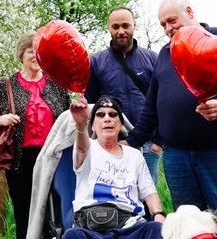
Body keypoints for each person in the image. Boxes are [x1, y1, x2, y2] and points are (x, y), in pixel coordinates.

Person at [123, 0, 217, 211]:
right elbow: (152, 106)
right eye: (163, 24)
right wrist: (132, 141)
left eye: (172, 20)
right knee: (188, 223)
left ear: (190, 12)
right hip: (176, 156)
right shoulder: (165, 54)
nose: (167, 28)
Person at [0, 31, 70, 239]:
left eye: (40, 52)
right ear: (21, 55)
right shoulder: (5, 84)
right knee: (25, 216)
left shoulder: (56, 84)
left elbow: (67, 119)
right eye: (31, 51)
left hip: (54, 158)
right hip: (21, 162)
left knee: (56, 214)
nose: (36, 56)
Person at [64, 95, 165, 239]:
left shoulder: (134, 155)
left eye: (113, 114)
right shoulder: (87, 148)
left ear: (121, 124)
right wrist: (81, 125)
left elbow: (149, 192)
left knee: (155, 228)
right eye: (100, 115)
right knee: (73, 235)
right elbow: (81, 149)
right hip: (91, 228)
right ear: (92, 125)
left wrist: (158, 214)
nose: (107, 118)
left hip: (130, 226)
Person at [84, 7, 161, 184]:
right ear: (108, 28)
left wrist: (159, 142)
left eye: (125, 25)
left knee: (148, 198)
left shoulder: (152, 59)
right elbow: (91, 104)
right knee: (116, 198)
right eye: (115, 26)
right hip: (112, 143)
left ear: (134, 25)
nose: (121, 31)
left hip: (148, 143)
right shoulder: (95, 62)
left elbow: (163, 102)